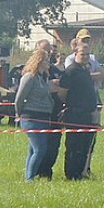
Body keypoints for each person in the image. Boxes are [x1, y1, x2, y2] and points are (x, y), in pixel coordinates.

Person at [15, 44, 63, 180]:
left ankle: (29, 175)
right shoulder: (29, 77)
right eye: (47, 60)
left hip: (44, 117)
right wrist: (18, 115)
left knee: (33, 149)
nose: (49, 62)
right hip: (31, 118)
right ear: (40, 61)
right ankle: (29, 178)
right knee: (40, 149)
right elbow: (19, 98)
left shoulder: (43, 78)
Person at [59, 33, 103, 179]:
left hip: (87, 114)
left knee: (85, 145)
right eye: (82, 54)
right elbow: (63, 92)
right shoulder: (71, 70)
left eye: (87, 55)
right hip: (75, 113)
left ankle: (80, 172)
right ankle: (71, 174)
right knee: (73, 145)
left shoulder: (85, 70)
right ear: (76, 53)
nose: (85, 57)